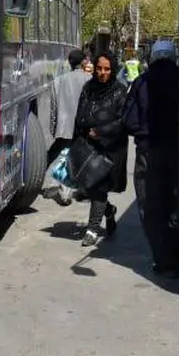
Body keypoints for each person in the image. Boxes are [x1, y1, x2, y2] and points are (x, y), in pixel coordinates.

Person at [122, 39, 179, 277]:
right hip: (178, 151)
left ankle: (162, 259)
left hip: (148, 151)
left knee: (151, 205)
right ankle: (176, 255)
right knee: (176, 202)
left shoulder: (141, 82)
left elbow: (128, 119)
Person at [70, 51, 129, 247]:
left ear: (113, 70)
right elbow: (80, 113)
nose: (103, 72)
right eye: (99, 68)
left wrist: (102, 131)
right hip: (89, 146)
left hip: (111, 148)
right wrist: (78, 138)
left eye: (107, 69)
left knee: (100, 188)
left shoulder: (120, 91)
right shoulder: (88, 88)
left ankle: (92, 229)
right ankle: (109, 211)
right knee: (90, 188)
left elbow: (124, 121)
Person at [45, 48, 90, 206]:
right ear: (83, 62)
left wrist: (53, 128)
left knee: (65, 156)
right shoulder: (89, 80)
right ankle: (74, 191)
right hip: (83, 127)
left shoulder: (58, 81)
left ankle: (65, 191)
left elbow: (53, 108)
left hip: (64, 126)